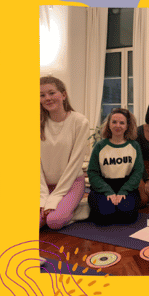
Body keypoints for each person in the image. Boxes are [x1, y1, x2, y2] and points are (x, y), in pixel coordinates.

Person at [40, 76, 91, 229]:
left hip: (71, 183)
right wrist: (43, 198)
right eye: (42, 95)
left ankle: (80, 208)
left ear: (63, 95)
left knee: (54, 222)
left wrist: (54, 198)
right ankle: (65, 206)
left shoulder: (80, 122)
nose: (47, 98)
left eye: (51, 93)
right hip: (43, 185)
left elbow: (75, 164)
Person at [87, 108, 144, 225]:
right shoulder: (99, 146)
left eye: (122, 123)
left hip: (127, 188)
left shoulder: (134, 146)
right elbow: (92, 173)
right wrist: (108, 192)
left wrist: (124, 191)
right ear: (108, 124)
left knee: (128, 216)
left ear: (127, 126)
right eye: (114, 122)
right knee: (105, 216)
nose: (118, 125)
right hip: (103, 188)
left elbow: (138, 172)